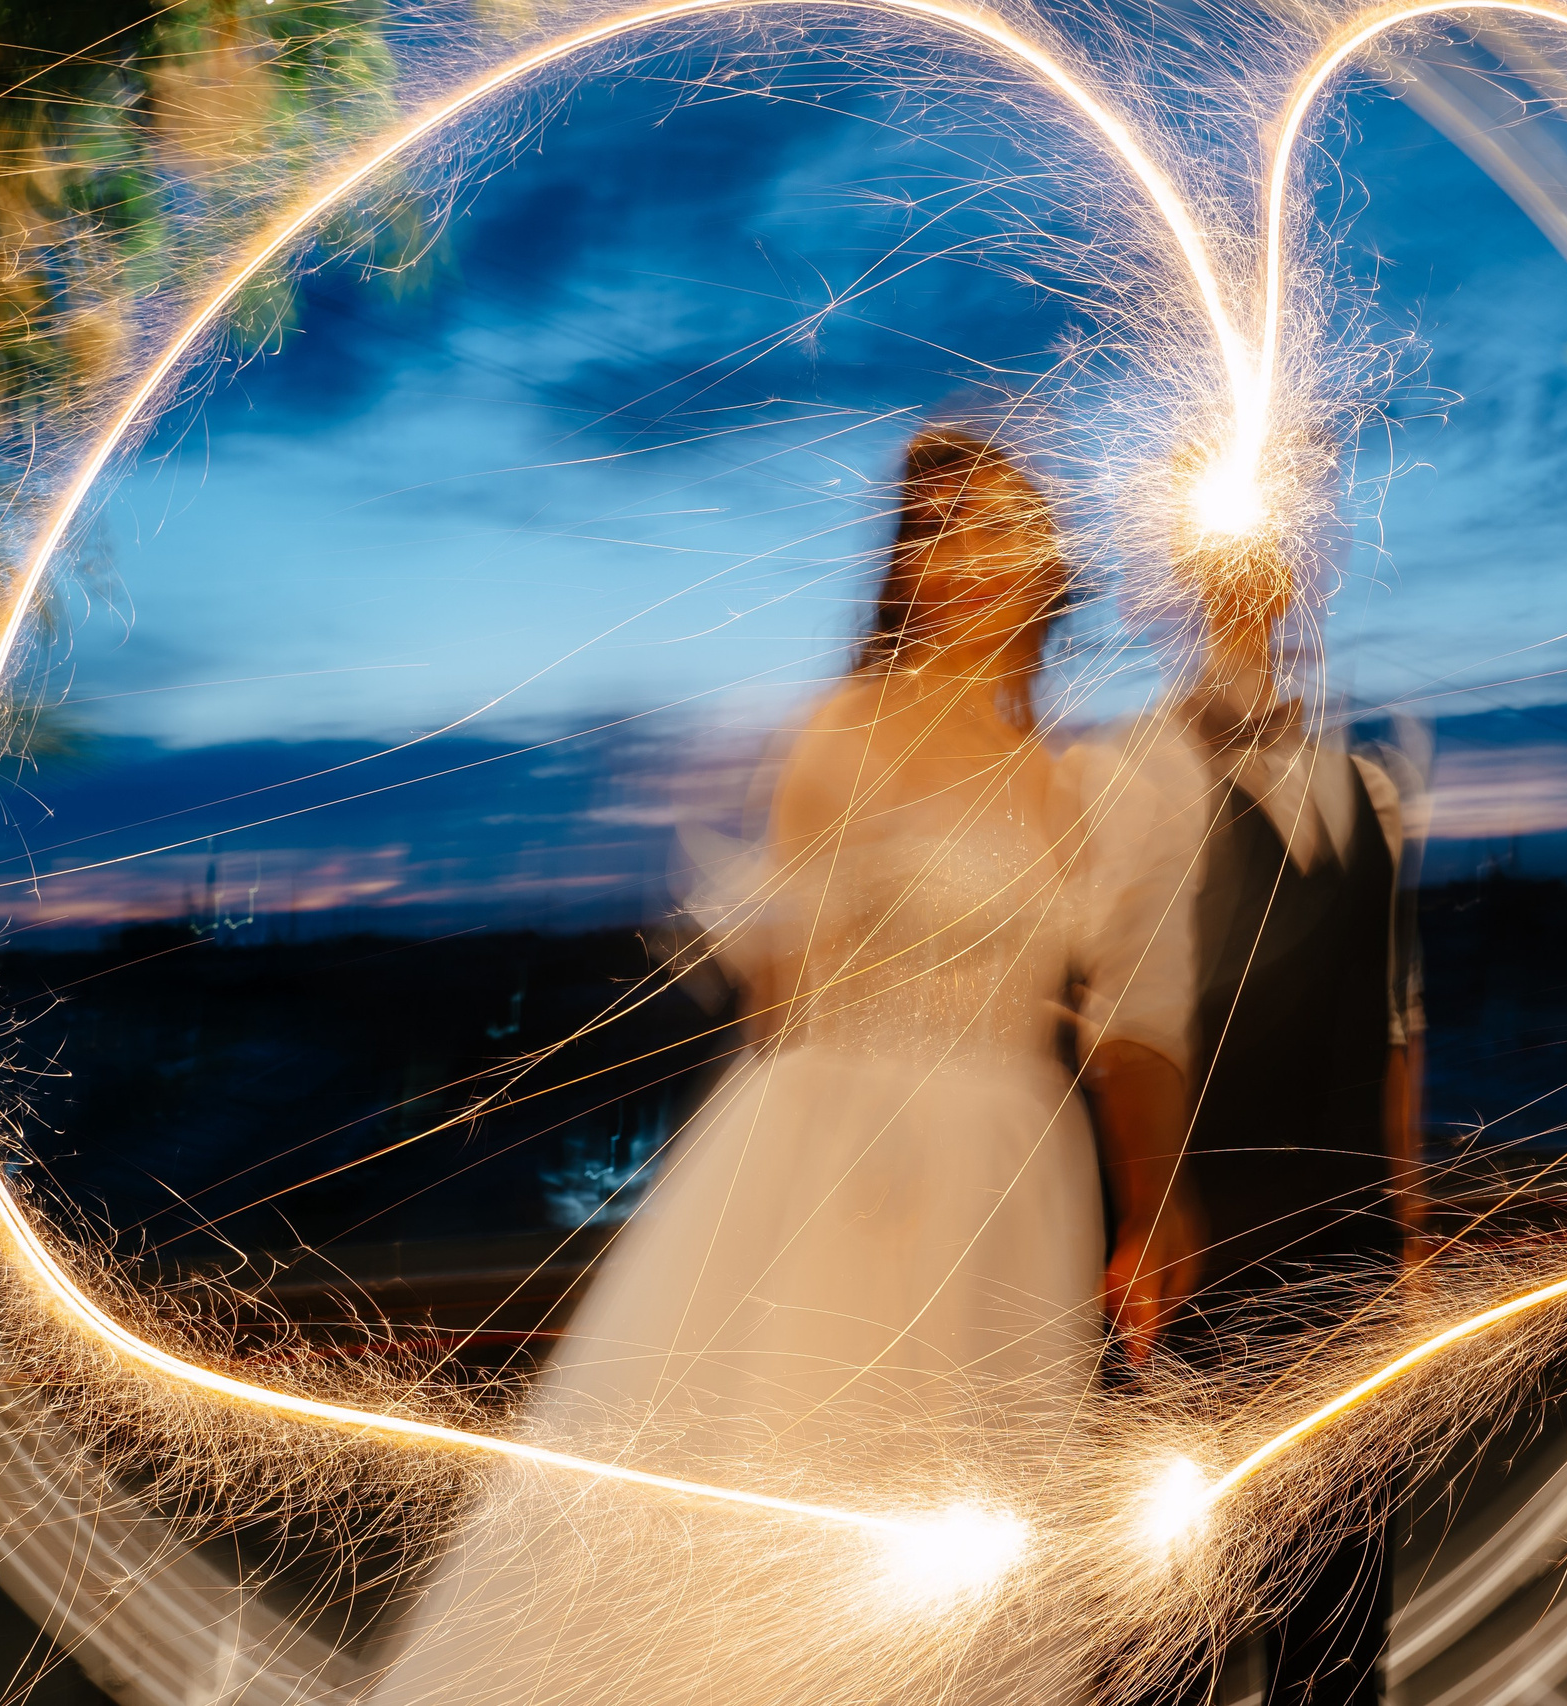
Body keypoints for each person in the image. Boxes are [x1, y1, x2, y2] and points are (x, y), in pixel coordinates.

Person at [368, 427, 1197, 1706]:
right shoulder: (844, 732)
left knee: (978, 1527)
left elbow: (1107, 1011)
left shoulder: (1076, 778)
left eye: (1000, 528)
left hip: (1021, 1176)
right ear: (907, 571)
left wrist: (1149, 1205)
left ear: (1047, 566)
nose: (974, 557)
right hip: (856, 1158)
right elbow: (785, 1003)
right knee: (818, 1482)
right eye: (944, 532)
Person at [1105, 541, 1428, 1706]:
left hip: (1347, 1261)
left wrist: (1409, 1230)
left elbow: (1394, 1022)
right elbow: (1125, 1025)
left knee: (1340, 1632)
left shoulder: (1374, 787)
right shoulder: (1144, 770)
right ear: (1185, 577)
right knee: (1171, 1634)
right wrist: (1149, 1209)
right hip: (1205, 1267)